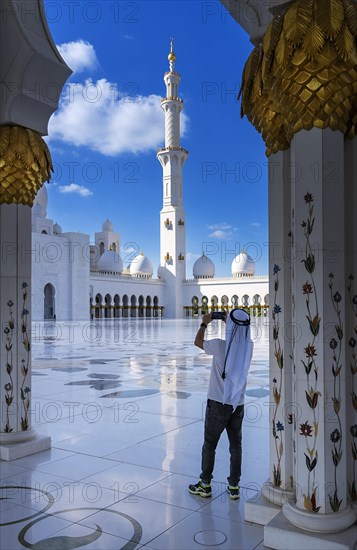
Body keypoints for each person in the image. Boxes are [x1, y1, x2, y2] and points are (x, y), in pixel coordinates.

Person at [188, 308, 253, 500]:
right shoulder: (249, 347)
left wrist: (204, 322)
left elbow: (197, 342)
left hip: (217, 403)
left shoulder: (219, 345)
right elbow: (239, 340)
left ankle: (205, 484)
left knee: (209, 445)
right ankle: (234, 487)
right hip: (237, 404)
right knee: (236, 446)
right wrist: (232, 324)